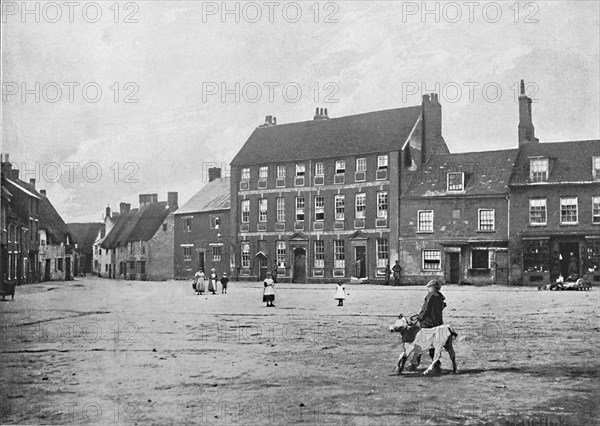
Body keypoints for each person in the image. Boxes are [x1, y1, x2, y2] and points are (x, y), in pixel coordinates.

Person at [409, 279, 447, 373]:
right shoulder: (440, 296)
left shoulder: (431, 296)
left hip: (427, 324)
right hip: (438, 324)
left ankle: (414, 365)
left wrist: (419, 318)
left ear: (432, 287)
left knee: (419, 344)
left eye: (429, 287)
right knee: (434, 346)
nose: (428, 289)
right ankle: (437, 366)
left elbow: (426, 308)